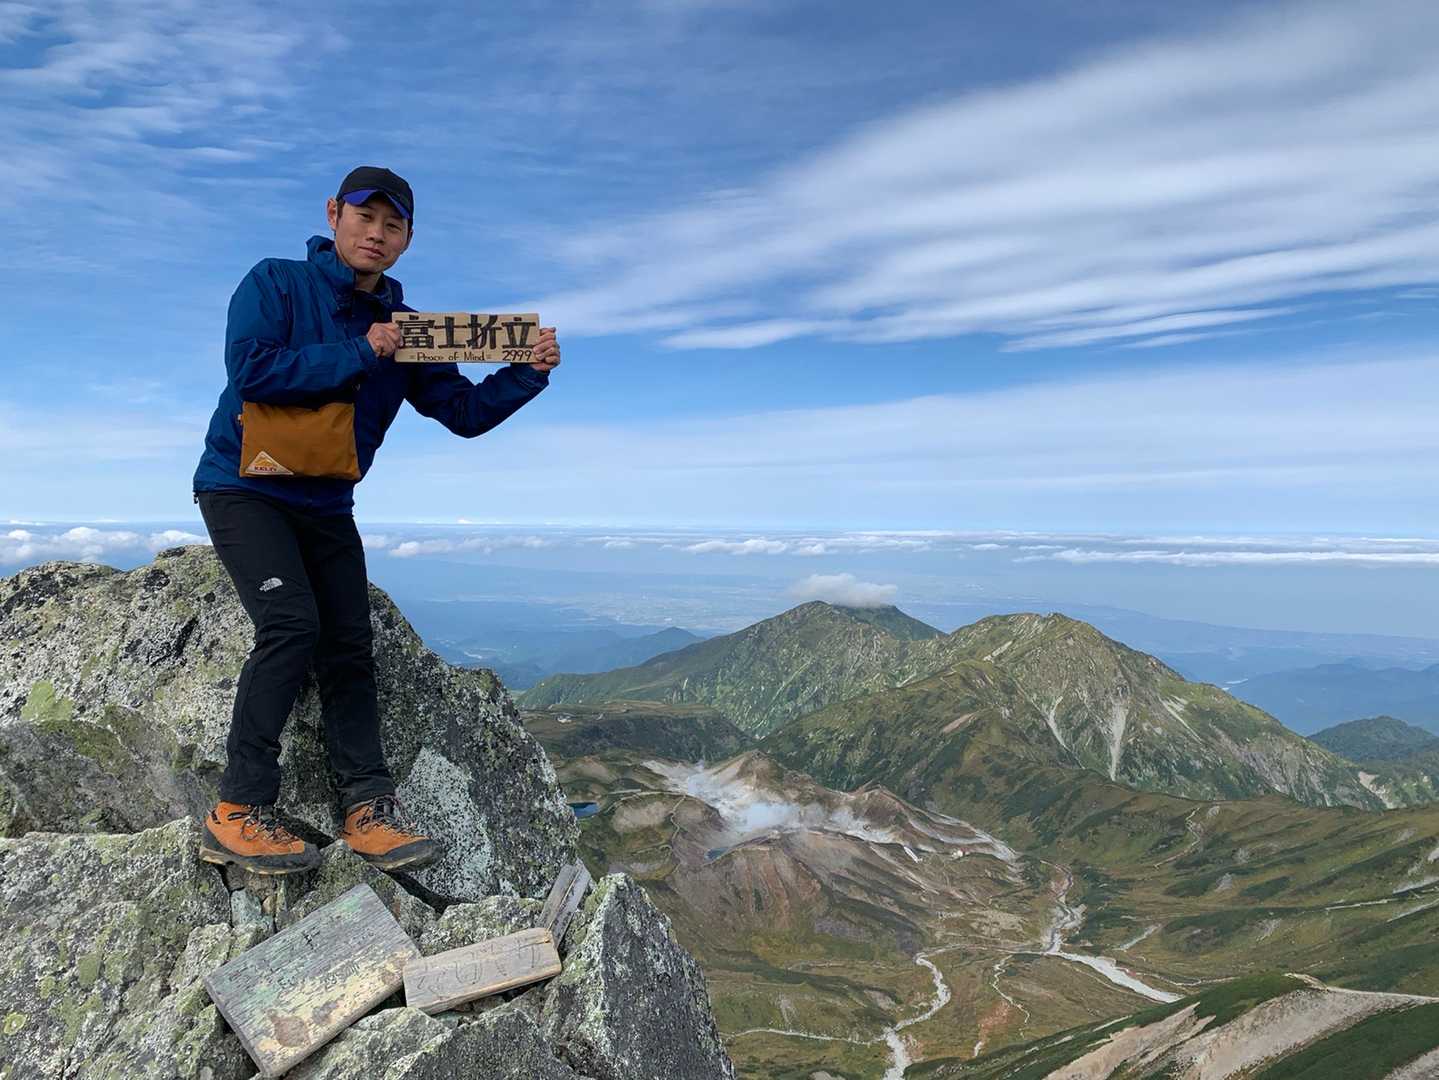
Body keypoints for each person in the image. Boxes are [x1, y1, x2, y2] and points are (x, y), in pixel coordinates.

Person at [191, 165, 560, 875]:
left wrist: (528, 373)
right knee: (291, 625)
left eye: (394, 225)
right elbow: (253, 371)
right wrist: (363, 350)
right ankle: (237, 809)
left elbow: (463, 412)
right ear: (334, 214)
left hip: (327, 501)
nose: (377, 234)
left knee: (350, 647)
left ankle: (367, 809)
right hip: (244, 487)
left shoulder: (411, 328)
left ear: (407, 240)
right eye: (365, 217)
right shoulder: (276, 282)